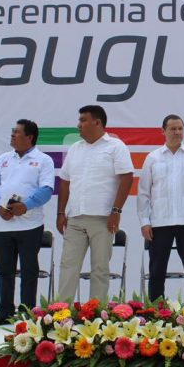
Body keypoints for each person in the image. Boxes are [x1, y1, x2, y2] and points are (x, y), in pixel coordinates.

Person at [56, 105, 133, 302]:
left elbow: (126, 178)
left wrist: (116, 211)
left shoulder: (116, 147)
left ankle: (95, 314)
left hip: (103, 217)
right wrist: (60, 212)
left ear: (97, 123)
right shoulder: (75, 148)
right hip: (75, 217)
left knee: (100, 268)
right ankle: (61, 314)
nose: (78, 124)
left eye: (83, 120)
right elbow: (64, 181)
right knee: (68, 265)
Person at [0, 119, 55, 326]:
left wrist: (26, 206)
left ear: (29, 137)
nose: (12, 136)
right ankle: (5, 311)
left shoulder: (43, 160)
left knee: (28, 271)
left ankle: (27, 314)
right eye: (12, 132)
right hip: (3, 224)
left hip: (30, 224)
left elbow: (46, 190)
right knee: (4, 270)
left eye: (16, 132)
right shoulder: (3, 159)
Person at [137, 114, 184, 304]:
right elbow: (144, 192)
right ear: (163, 131)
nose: (177, 132)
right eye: (173, 129)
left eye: (180, 128)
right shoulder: (153, 158)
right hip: (160, 222)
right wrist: (145, 221)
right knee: (156, 270)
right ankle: (156, 312)